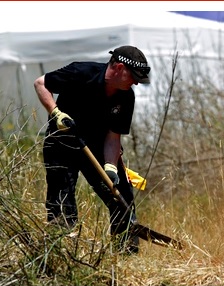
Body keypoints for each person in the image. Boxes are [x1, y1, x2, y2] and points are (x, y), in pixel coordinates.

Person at [34, 45, 151, 254]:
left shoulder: (126, 97)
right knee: (61, 202)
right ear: (119, 67)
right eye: (132, 76)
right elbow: (41, 83)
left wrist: (111, 167)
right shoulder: (80, 72)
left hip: (96, 146)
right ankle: (62, 253)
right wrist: (55, 113)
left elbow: (113, 137)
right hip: (62, 143)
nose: (135, 82)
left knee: (121, 193)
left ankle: (125, 254)